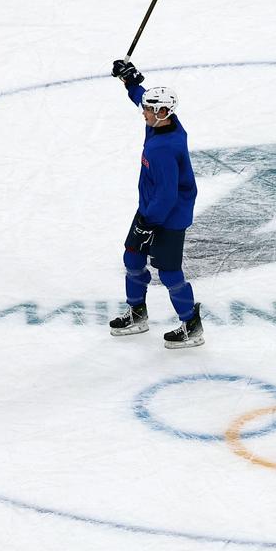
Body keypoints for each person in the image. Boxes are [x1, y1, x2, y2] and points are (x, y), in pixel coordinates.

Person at [107, 59, 204, 348]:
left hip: (168, 216)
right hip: (150, 209)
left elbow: (168, 195)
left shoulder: (164, 148)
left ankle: (191, 324)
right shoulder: (162, 122)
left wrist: (149, 224)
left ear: (163, 112)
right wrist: (131, 81)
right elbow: (141, 97)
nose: (144, 113)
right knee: (132, 258)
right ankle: (137, 311)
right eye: (146, 108)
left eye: (149, 110)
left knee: (169, 272)